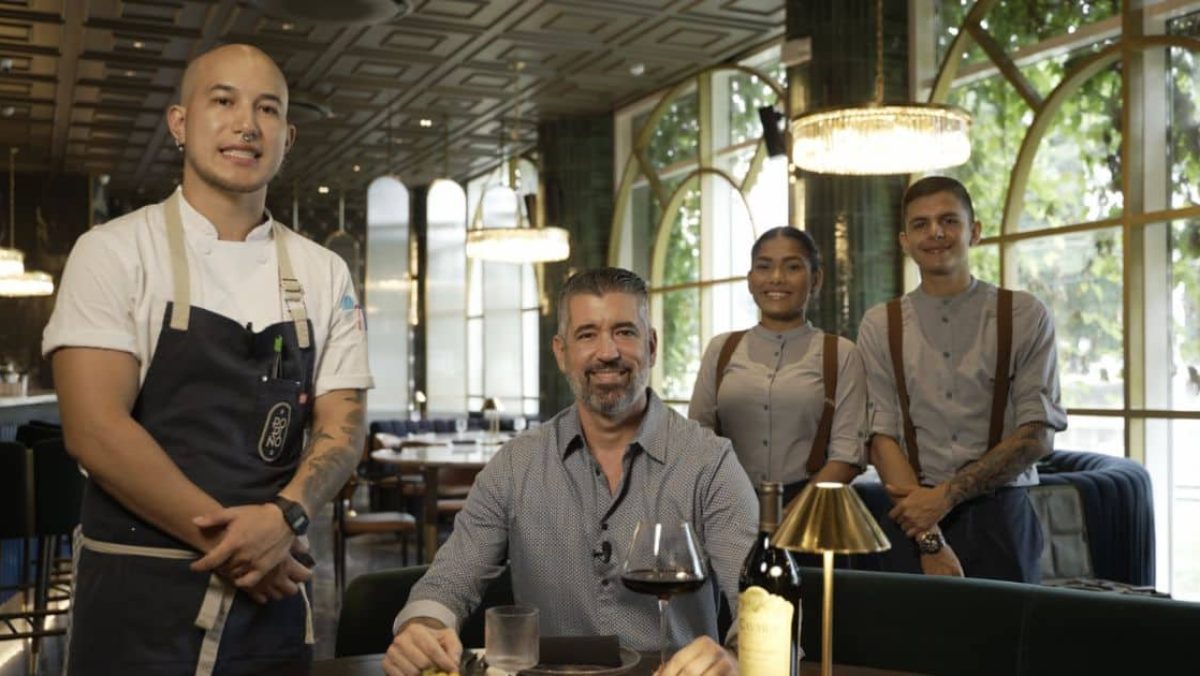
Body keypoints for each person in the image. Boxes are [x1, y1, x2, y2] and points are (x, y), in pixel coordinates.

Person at [42, 44, 373, 675]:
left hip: (272, 597)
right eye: (223, 100)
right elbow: (95, 431)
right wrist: (240, 546)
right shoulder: (112, 252)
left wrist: (285, 517)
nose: (246, 123)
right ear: (179, 122)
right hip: (140, 600)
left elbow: (342, 424)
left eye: (267, 109)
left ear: (287, 137)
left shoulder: (324, 272)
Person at [383, 267, 757, 676]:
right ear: (561, 353)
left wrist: (739, 659)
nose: (607, 352)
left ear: (651, 346)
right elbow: (450, 580)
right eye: (587, 334)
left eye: (625, 332)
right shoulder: (514, 465)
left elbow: (761, 601)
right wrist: (424, 627)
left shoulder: (710, 464)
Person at [856, 176, 1067, 583]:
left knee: (1010, 643)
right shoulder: (880, 324)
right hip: (913, 520)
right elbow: (880, 437)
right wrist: (929, 538)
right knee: (913, 645)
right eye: (920, 224)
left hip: (1003, 514)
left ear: (975, 231)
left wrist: (946, 496)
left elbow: (1037, 435)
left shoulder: (1024, 314)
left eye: (949, 220)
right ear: (904, 241)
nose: (935, 232)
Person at [688, 227, 866, 505]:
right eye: (764, 267)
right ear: (750, 280)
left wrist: (794, 516)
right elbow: (699, 437)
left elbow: (847, 456)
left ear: (816, 279)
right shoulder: (721, 349)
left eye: (793, 267)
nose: (776, 278)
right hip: (727, 504)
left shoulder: (841, 354)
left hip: (812, 507)